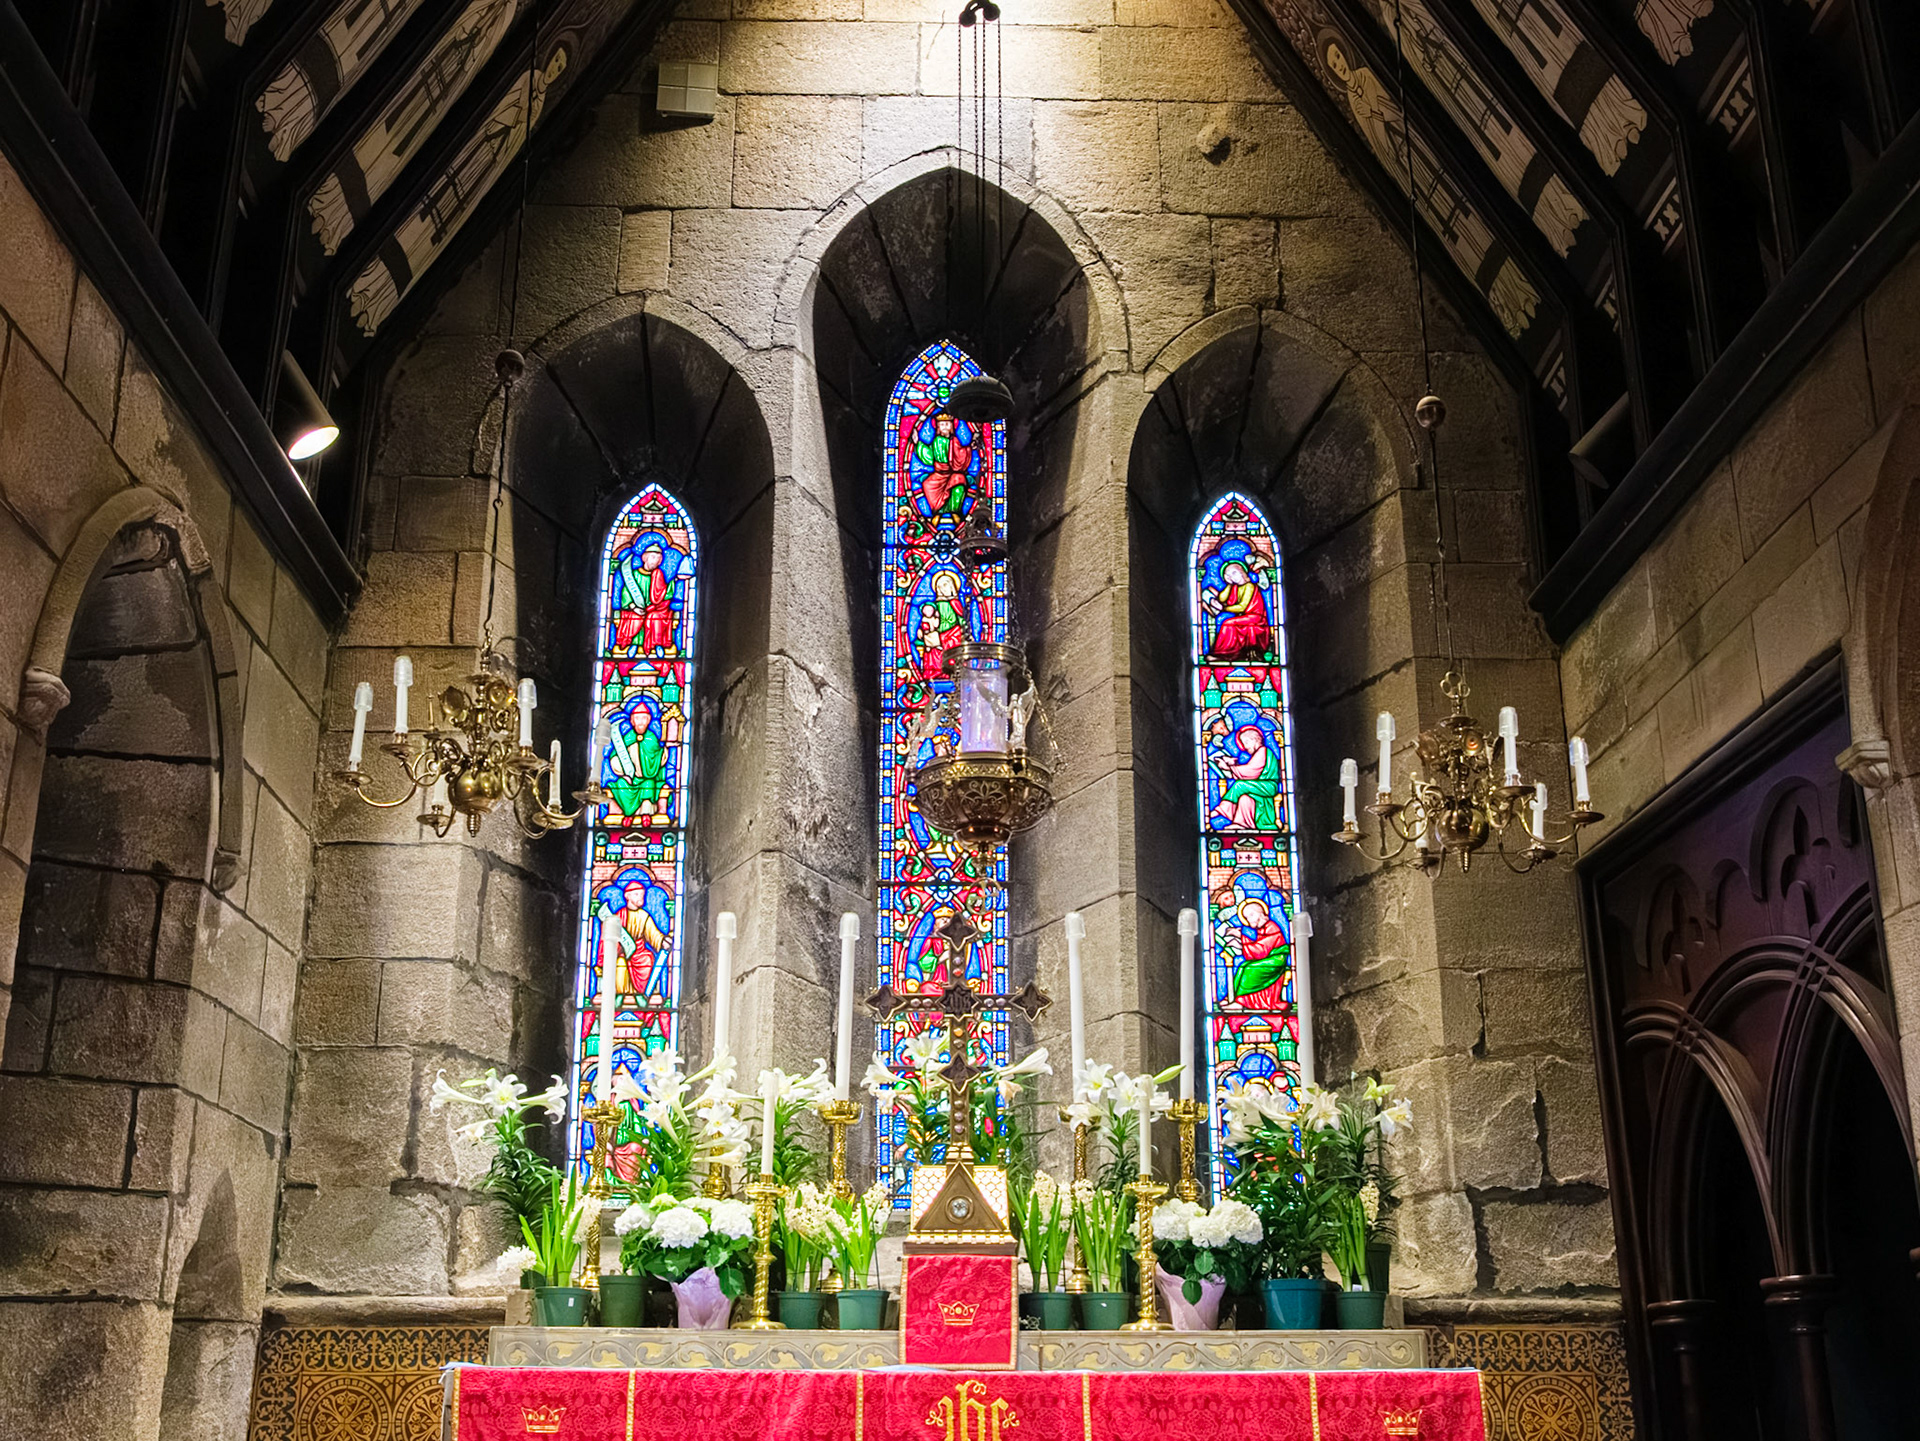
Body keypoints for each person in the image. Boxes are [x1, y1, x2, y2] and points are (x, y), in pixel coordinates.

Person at [1209, 721, 1281, 830]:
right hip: (1260, 786)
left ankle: (1220, 810)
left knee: (1239, 785)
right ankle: (1241, 824)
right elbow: (1251, 772)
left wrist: (1228, 767)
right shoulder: (1260, 752)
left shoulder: (1263, 751)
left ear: (1252, 740)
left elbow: (1251, 771)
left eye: (1245, 744)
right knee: (1244, 798)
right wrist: (1233, 764)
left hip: (1268, 786)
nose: (1245, 749)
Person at [607, 700, 668, 821]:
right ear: (632, 721)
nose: (641, 722)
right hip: (632, 779)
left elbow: (657, 756)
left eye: (643, 718)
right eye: (637, 718)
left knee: (649, 785)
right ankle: (628, 814)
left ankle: (646, 814)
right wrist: (622, 771)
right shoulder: (628, 737)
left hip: (647, 778)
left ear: (648, 720)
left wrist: (663, 752)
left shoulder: (651, 738)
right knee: (619, 785)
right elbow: (617, 755)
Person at [612, 542, 677, 655]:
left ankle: (656, 645)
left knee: (655, 617)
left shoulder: (659, 575)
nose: (655, 561)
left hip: (655, 609)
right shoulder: (634, 575)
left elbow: (664, 594)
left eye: (658, 558)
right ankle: (633, 644)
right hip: (636, 609)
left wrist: (673, 583)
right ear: (644, 558)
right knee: (635, 617)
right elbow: (626, 593)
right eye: (653, 557)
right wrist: (633, 607)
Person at [1229, 896, 1289, 1009]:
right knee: (1243, 966)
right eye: (1246, 917)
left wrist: (1240, 940)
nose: (1249, 920)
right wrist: (1240, 942)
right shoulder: (1262, 929)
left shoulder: (1272, 927)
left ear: (1260, 913)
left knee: (1249, 969)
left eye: (1251, 915)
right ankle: (1237, 998)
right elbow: (1259, 948)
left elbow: (1261, 950)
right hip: (1269, 960)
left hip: (1276, 961)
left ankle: (1245, 1002)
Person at [1204, 560, 1273, 659]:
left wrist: (1223, 609)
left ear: (1242, 572)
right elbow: (1222, 598)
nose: (1232, 577)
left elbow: (1242, 606)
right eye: (1228, 575)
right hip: (1246, 618)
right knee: (1229, 623)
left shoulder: (1249, 586)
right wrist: (1229, 584)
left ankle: (1223, 655)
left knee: (1228, 623)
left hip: (1257, 618)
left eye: (1234, 573)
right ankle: (1227, 654)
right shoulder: (1235, 587)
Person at [914, 410, 975, 517]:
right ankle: (938, 511)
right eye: (942, 425)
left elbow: (960, 454)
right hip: (938, 474)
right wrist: (918, 443)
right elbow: (929, 457)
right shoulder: (936, 440)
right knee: (927, 484)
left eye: (947, 424)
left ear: (952, 426)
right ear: (938, 427)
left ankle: (954, 511)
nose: (945, 427)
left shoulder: (954, 440)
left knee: (959, 483)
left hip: (952, 473)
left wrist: (969, 449)